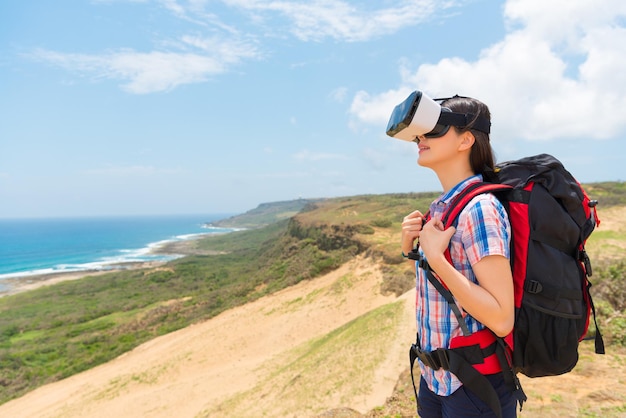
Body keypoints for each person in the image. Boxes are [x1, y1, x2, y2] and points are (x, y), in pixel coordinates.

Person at [399, 95, 517, 417]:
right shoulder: (444, 206)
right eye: (420, 132)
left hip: (472, 387)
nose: (420, 138)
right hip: (435, 379)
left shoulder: (480, 209)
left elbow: (502, 318)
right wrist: (412, 250)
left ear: (466, 139)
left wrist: (437, 261)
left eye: (435, 129)